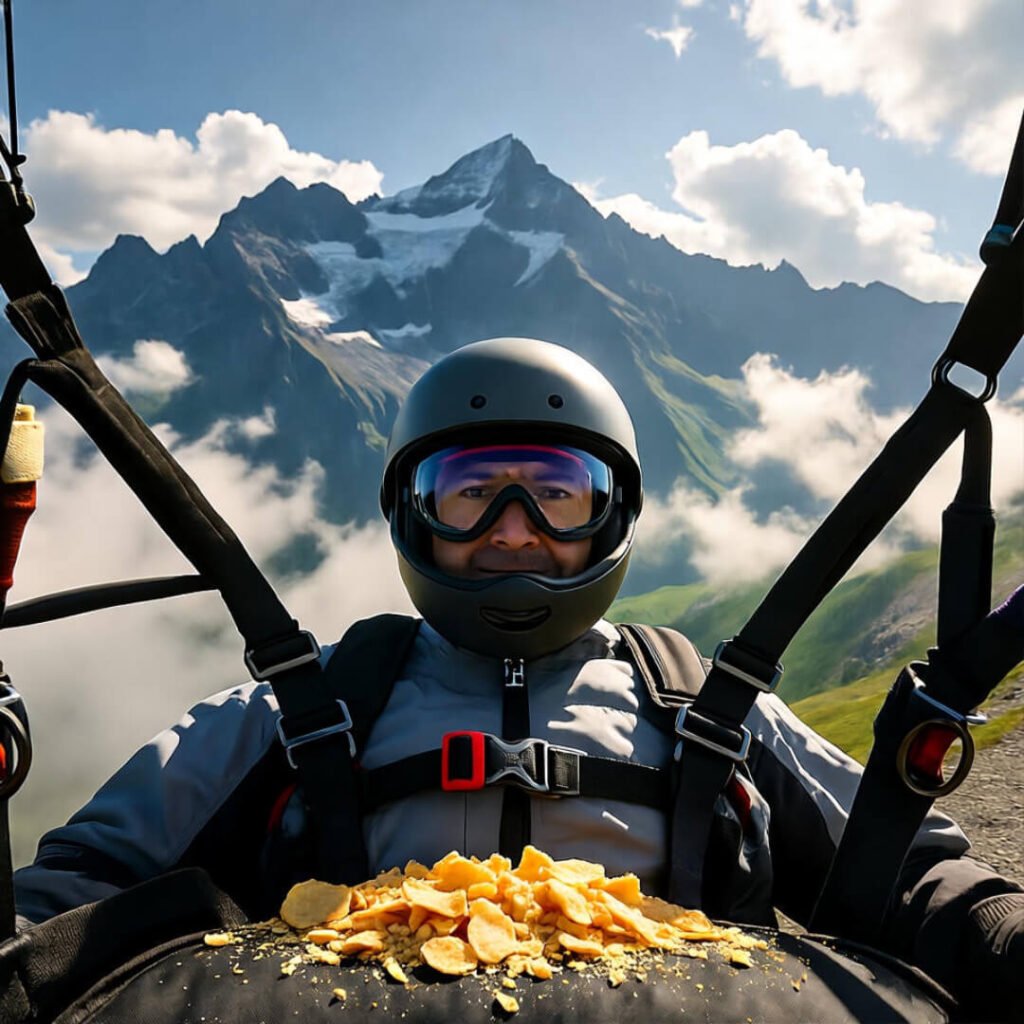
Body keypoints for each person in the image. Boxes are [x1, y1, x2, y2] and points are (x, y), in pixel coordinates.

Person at [12, 337, 1024, 1016]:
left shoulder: (706, 712)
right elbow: (76, 892)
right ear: (412, 516)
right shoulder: (301, 712)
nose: (512, 534)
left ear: (614, 517)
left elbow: (918, 880)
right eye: (469, 495)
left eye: (553, 495)